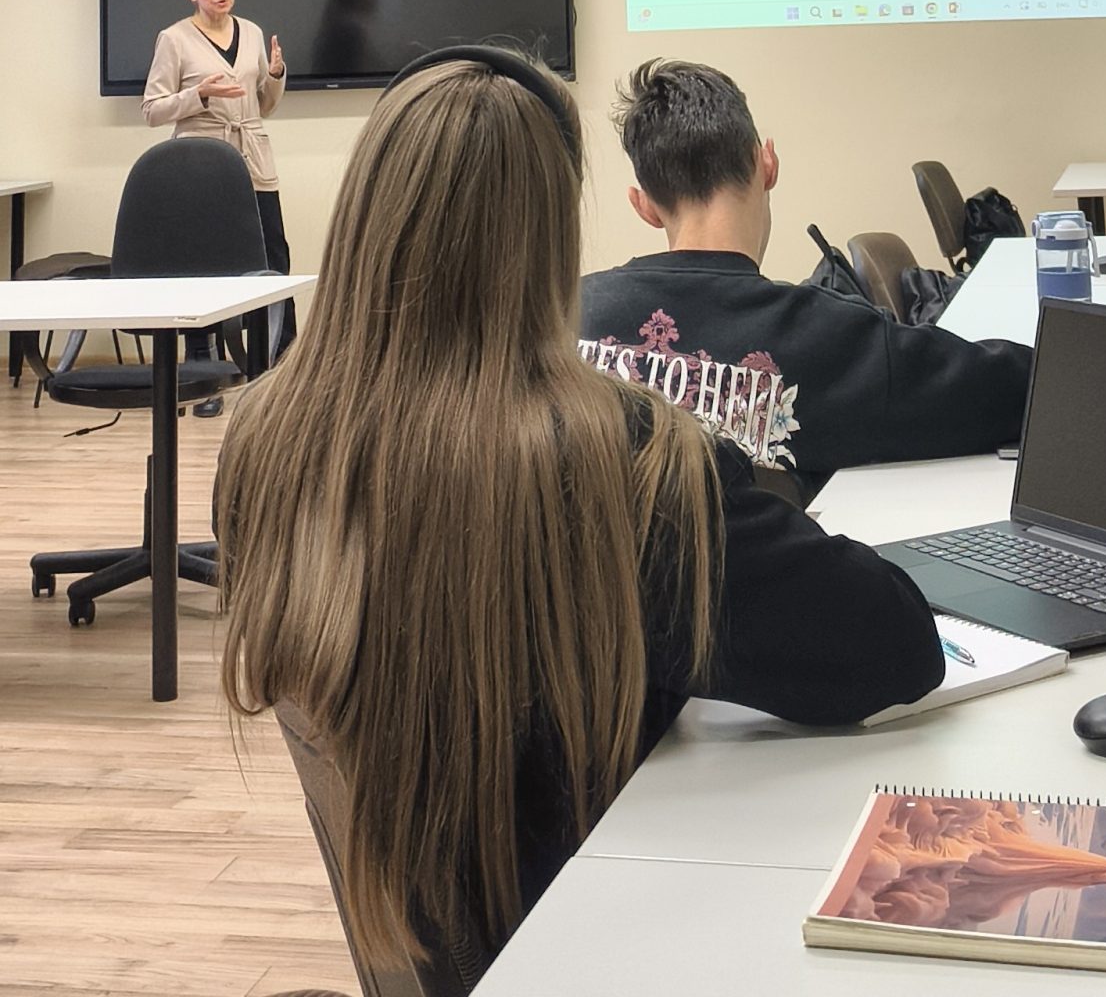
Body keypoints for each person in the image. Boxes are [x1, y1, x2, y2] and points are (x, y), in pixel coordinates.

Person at [216, 49, 943, 978]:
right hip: (608, 947)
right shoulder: (620, 461)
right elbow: (893, 647)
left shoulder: (262, 442)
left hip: (443, 954)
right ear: (553, 244)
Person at [579, 60, 1031, 499]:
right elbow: (1022, 392)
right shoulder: (831, 338)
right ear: (767, 164)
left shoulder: (566, 316)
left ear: (644, 205)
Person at [143, 0, 296, 395]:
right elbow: (152, 110)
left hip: (253, 159)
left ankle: (282, 362)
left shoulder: (252, 32)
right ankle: (202, 369)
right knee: (204, 264)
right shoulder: (173, 39)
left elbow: (263, 105)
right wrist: (200, 95)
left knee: (273, 255)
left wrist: (275, 74)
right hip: (201, 166)